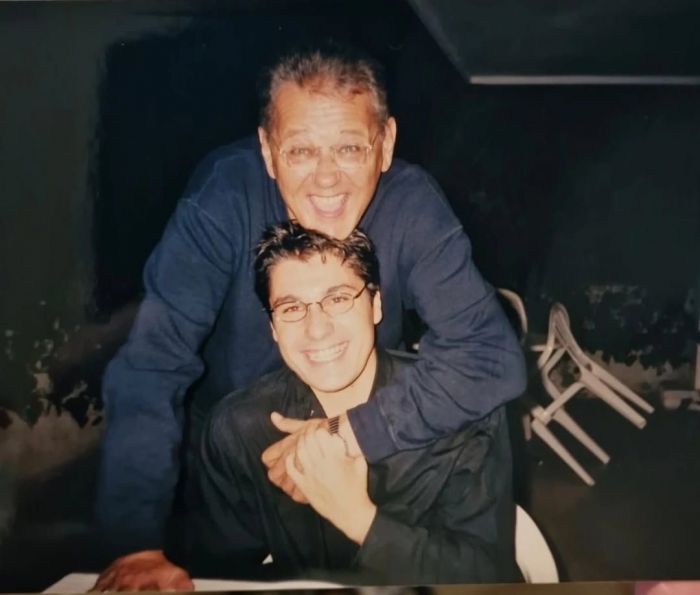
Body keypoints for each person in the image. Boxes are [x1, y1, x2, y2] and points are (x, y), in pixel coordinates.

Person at [94, 45, 526, 590]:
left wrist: (349, 434)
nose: (327, 180)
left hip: (366, 423)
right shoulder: (223, 198)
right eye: (301, 151)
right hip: (241, 445)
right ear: (267, 150)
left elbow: (489, 356)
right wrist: (136, 540)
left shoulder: (412, 206)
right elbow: (153, 363)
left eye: (349, 147)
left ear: (385, 144)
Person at [111, 222, 519, 587]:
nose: (317, 329)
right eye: (291, 308)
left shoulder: (462, 409)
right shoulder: (241, 427)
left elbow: (490, 578)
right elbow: (223, 568)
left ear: (376, 304)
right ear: (273, 327)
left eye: (338, 299)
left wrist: (359, 519)